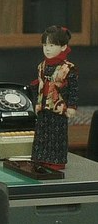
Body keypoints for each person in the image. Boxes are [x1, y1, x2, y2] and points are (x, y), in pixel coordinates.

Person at [30, 25, 78, 169]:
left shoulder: (68, 68)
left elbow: (73, 89)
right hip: (42, 106)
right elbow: (39, 84)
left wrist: (72, 106)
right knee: (41, 134)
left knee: (57, 135)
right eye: (45, 45)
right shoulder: (42, 66)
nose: (47, 49)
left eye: (52, 45)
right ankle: (40, 158)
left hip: (58, 107)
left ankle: (56, 161)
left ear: (63, 47)